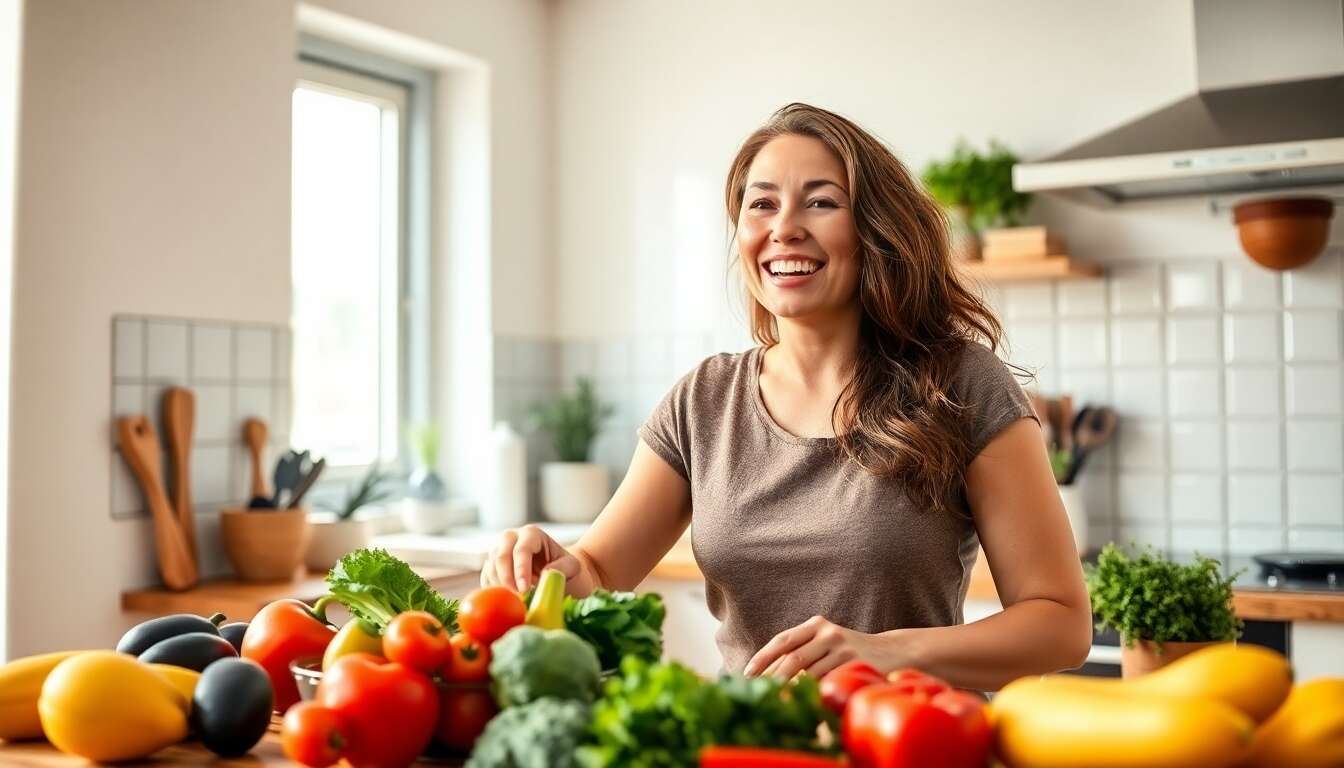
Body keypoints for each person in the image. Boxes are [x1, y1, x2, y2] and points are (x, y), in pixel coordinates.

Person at [480, 103, 1092, 691]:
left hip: (909, 740)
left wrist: (888, 653)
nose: (784, 228)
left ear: (874, 228)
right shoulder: (704, 402)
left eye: (821, 202)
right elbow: (600, 569)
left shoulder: (960, 383)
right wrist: (552, 567)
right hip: (754, 743)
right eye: (762, 204)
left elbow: (1061, 623)